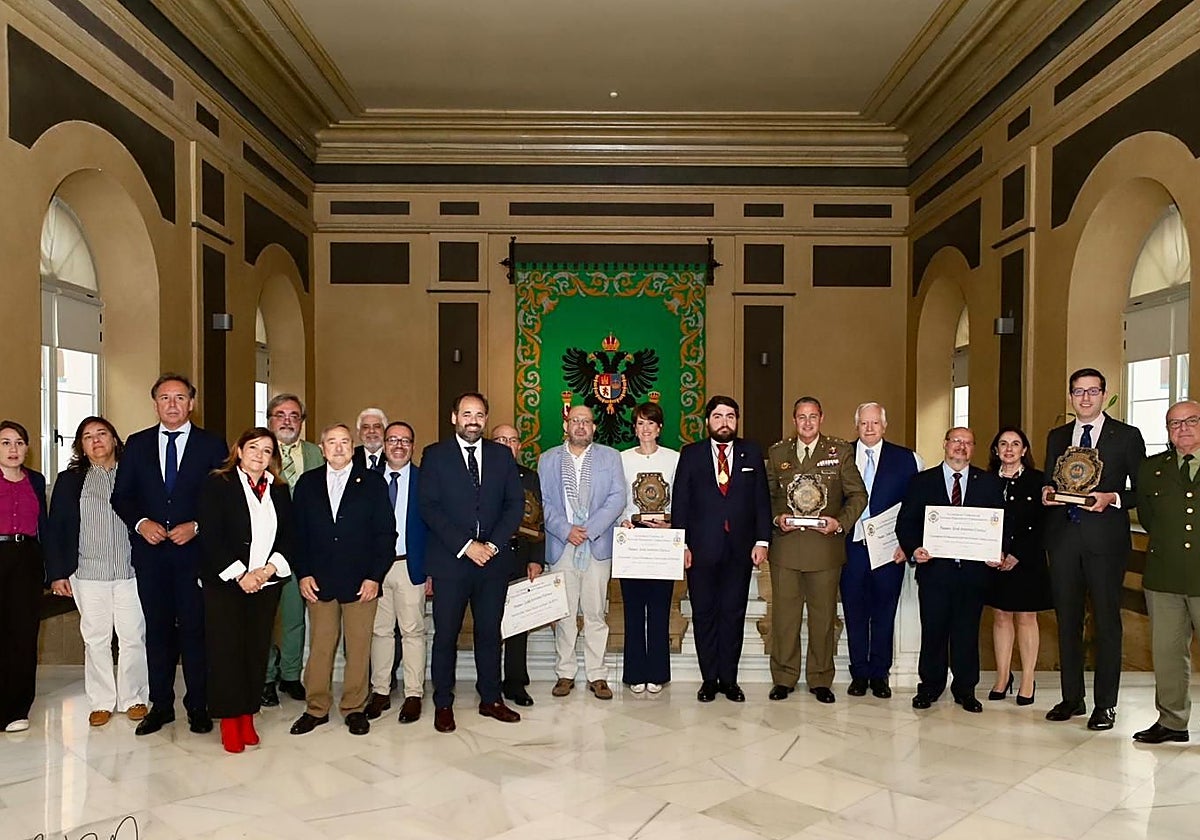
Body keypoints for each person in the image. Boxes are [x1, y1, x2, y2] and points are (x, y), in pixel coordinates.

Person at [110, 373, 228, 736]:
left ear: (192, 403)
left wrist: (197, 526)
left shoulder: (211, 444)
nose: (172, 404)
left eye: (179, 397)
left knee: (195, 630)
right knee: (157, 632)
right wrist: (141, 522)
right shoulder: (138, 444)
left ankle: (198, 706)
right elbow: (121, 496)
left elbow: (224, 498)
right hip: (152, 556)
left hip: (195, 555)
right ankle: (160, 705)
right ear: (155, 404)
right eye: (165, 398)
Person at [1042, 368, 1146, 731]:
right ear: (1070, 396)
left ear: (1103, 394)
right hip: (1063, 540)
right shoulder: (1057, 436)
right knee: (1067, 621)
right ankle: (1072, 697)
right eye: (1078, 392)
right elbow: (1049, 480)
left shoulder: (1126, 436)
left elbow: (1141, 490)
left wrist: (1112, 498)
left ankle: (1105, 705)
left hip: (1105, 542)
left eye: (1092, 391)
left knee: (1106, 622)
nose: (1085, 398)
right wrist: (1046, 492)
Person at [418, 393, 524, 732]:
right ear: (454, 417)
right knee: (446, 635)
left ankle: (491, 698)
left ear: (486, 419)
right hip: (451, 562)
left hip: (492, 562)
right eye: (466, 414)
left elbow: (515, 504)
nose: (473, 420)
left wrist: (490, 545)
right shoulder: (435, 455)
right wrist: (466, 547)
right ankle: (443, 702)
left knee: (490, 633)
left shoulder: (501, 456)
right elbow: (429, 507)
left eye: (479, 414)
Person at [289, 424, 395, 737]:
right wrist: (303, 573)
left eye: (344, 442)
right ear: (322, 448)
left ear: (353, 447)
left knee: (359, 647)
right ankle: (316, 708)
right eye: (331, 442)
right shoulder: (308, 483)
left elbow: (385, 534)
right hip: (318, 581)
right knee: (320, 647)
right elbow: (297, 534)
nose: (338, 448)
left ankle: (354, 708)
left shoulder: (372, 482)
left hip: (361, 581)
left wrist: (375, 577)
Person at [46, 417, 148, 728]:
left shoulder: (134, 474)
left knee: (133, 637)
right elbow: (56, 528)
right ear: (81, 445)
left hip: (131, 571)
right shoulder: (70, 480)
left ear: (115, 439)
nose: (96, 441)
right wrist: (58, 573)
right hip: (87, 573)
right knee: (96, 639)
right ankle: (101, 701)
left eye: (102, 433)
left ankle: (134, 698)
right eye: (88, 436)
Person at [198, 428, 295, 752]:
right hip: (226, 584)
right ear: (239, 451)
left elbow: (289, 536)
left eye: (267, 450)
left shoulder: (279, 489)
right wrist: (241, 575)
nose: (259, 455)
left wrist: (267, 571)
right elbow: (211, 536)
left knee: (256, 651)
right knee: (227, 652)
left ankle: (248, 715)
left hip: (265, 584)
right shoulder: (218, 484)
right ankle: (229, 720)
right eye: (253, 447)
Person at [765, 396, 866, 704]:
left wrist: (839, 523)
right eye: (801, 417)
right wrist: (776, 518)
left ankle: (821, 678)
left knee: (823, 619)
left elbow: (858, 495)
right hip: (786, 549)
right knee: (785, 619)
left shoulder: (840, 452)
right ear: (794, 420)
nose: (807, 422)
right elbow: (765, 497)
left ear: (821, 418)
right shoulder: (777, 452)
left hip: (825, 549)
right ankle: (784, 677)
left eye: (812, 416)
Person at [898, 427, 1005, 714]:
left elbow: (1001, 523)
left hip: (973, 574)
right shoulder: (922, 481)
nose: (961, 446)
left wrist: (997, 551)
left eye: (967, 443)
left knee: (967, 634)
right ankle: (929, 687)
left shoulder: (988, 483)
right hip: (935, 573)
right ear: (945, 444)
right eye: (956, 441)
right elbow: (906, 523)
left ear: (973, 449)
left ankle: (965, 689)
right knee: (933, 632)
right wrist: (914, 549)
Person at [671, 396, 771, 702]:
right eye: (718, 416)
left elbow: (761, 500)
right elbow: (681, 502)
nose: (724, 422)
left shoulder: (751, 452)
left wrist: (762, 540)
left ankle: (729, 680)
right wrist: (682, 544)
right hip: (701, 550)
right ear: (707, 422)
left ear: (737, 421)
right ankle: (709, 680)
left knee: (733, 614)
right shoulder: (691, 454)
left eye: (730, 416)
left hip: (740, 550)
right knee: (703, 614)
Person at [540, 405, 625, 701]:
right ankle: (565, 673)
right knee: (563, 613)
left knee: (595, 613)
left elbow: (617, 497)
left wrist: (590, 529)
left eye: (586, 421)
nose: (580, 426)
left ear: (594, 427)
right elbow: (543, 502)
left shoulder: (610, 457)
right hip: (562, 544)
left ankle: (597, 674)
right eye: (575, 421)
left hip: (596, 545)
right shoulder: (548, 459)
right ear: (566, 425)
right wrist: (566, 530)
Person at [842, 402, 922, 699]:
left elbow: (916, 507)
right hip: (851, 548)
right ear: (856, 425)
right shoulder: (841, 455)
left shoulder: (908, 459)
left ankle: (879, 674)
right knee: (854, 613)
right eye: (864, 423)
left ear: (884, 425)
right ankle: (859, 673)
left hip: (890, 551)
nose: (870, 428)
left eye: (875, 422)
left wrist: (907, 544)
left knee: (884, 613)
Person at [1132, 400, 1200, 744]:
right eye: (1175, 423)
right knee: (1168, 654)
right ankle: (1173, 721)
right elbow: (1148, 518)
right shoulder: (1151, 468)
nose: (1183, 428)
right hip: (1164, 575)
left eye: (1191, 421)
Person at [364, 421, 430, 725]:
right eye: (393, 440)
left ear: (413, 446)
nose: (399, 446)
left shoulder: (425, 480)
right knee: (380, 631)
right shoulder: (367, 480)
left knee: (413, 631)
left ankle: (414, 693)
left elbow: (434, 527)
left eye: (405, 440)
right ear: (384, 444)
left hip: (410, 565)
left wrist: (430, 570)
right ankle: (380, 690)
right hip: (375, 568)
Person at [262, 393, 323, 706]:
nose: (287, 421)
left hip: (305, 547)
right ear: (269, 419)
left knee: (295, 615)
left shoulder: (315, 453)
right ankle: (265, 678)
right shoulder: (260, 451)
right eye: (280, 415)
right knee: (266, 616)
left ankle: (289, 675)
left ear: (302, 422)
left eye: (294, 416)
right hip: (266, 550)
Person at [985, 426, 1051, 706]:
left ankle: (1027, 679)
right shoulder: (985, 481)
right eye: (1003, 444)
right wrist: (993, 551)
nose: (1009, 449)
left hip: (1028, 560)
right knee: (1000, 616)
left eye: (1015, 444)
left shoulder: (1039, 481)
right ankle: (1002, 677)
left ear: (1024, 450)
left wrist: (1017, 554)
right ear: (996, 450)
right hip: (994, 560)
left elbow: (1044, 524)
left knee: (1026, 618)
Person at [617, 402, 679, 694]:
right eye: (640, 423)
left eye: (651, 423)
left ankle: (657, 672)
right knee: (632, 609)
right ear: (634, 428)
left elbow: (682, 498)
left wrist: (672, 523)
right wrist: (622, 520)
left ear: (660, 428)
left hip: (663, 539)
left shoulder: (674, 459)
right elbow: (616, 497)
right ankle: (634, 673)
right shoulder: (622, 459)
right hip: (632, 538)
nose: (645, 429)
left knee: (659, 608)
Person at [0, 420, 49, 734]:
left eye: (19, 442)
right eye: (5, 443)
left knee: (23, 634)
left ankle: (17, 708)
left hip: (27, 558)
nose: (13, 449)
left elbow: (44, 525)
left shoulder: (36, 480)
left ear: (27, 448)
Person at [492, 424, 544, 707]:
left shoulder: (529, 477)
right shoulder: (480, 474)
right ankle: (489, 680)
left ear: (519, 446)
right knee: (489, 622)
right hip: (487, 558)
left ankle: (515, 681)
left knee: (518, 622)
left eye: (512, 440)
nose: (507, 444)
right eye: (501, 439)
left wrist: (536, 558)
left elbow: (538, 520)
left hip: (520, 556)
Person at [353, 408, 388, 473]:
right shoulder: (351, 456)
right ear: (358, 433)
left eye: (377, 426)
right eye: (366, 427)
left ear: (385, 431)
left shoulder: (393, 455)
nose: (371, 431)